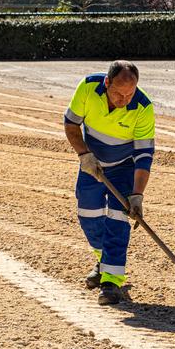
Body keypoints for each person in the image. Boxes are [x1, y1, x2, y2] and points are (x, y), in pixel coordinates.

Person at [63, 60, 155, 305]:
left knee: (117, 219)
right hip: (92, 163)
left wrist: (137, 195)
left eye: (129, 93)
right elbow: (71, 124)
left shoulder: (144, 107)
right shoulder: (88, 87)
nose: (123, 99)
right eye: (117, 93)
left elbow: (144, 156)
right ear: (107, 83)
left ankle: (112, 281)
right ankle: (104, 262)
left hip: (124, 167)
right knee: (88, 215)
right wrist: (84, 155)